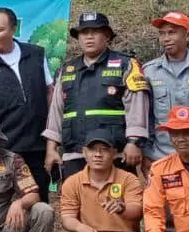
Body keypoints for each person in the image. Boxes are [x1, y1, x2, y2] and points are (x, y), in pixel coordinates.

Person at [43, 11, 149, 180]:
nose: (89, 37)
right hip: (75, 155)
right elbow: (56, 112)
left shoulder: (126, 64)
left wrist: (134, 143)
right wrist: (51, 149)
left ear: (107, 36)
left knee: (119, 204)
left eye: (95, 32)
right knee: (76, 204)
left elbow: (137, 107)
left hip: (115, 154)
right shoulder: (67, 69)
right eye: (84, 33)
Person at [0, 6, 54, 199]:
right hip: (4, 148)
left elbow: (49, 93)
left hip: (37, 145)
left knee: (38, 200)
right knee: (4, 204)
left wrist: (53, 137)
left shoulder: (36, 55)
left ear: (14, 29)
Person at [58, 130, 152, 232]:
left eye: (104, 149)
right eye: (93, 150)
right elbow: (67, 217)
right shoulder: (73, 182)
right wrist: (81, 227)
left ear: (115, 153)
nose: (98, 155)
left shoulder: (129, 179)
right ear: (84, 153)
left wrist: (122, 208)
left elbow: (137, 211)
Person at [143, 11, 189, 162]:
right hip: (162, 154)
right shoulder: (150, 71)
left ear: (187, 36)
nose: (166, 39)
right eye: (162, 34)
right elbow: (146, 116)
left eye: (172, 33)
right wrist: (147, 153)